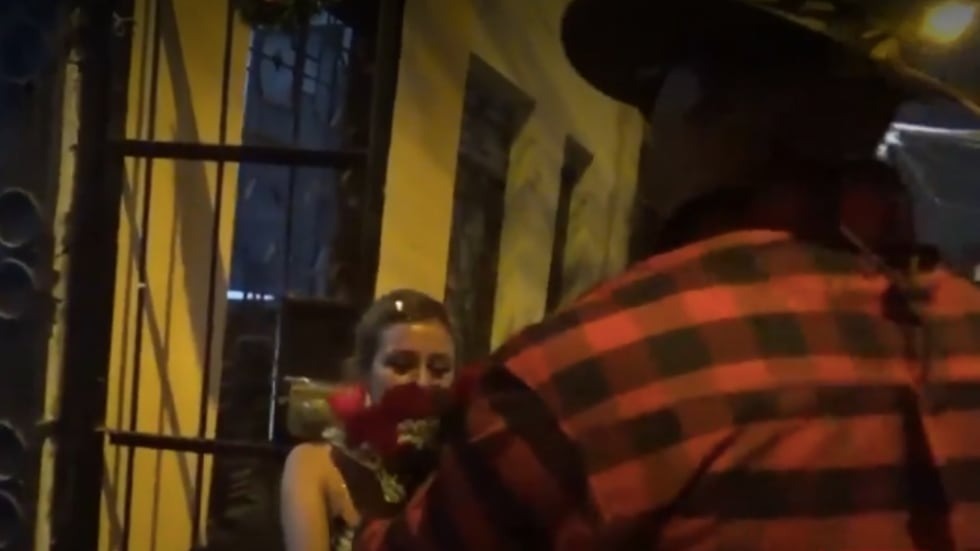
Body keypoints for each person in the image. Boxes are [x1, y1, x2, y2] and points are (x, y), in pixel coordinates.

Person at [354, 1, 980, 549]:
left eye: (654, 98)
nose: (647, 134)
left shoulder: (584, 376)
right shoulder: (961, 332)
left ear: (699, 108)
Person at [280, 289, 457, 551]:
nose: (422, 382)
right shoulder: (316, 465)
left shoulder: (459, 463)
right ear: (365, 371)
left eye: (439, 369)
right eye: (401, 365)